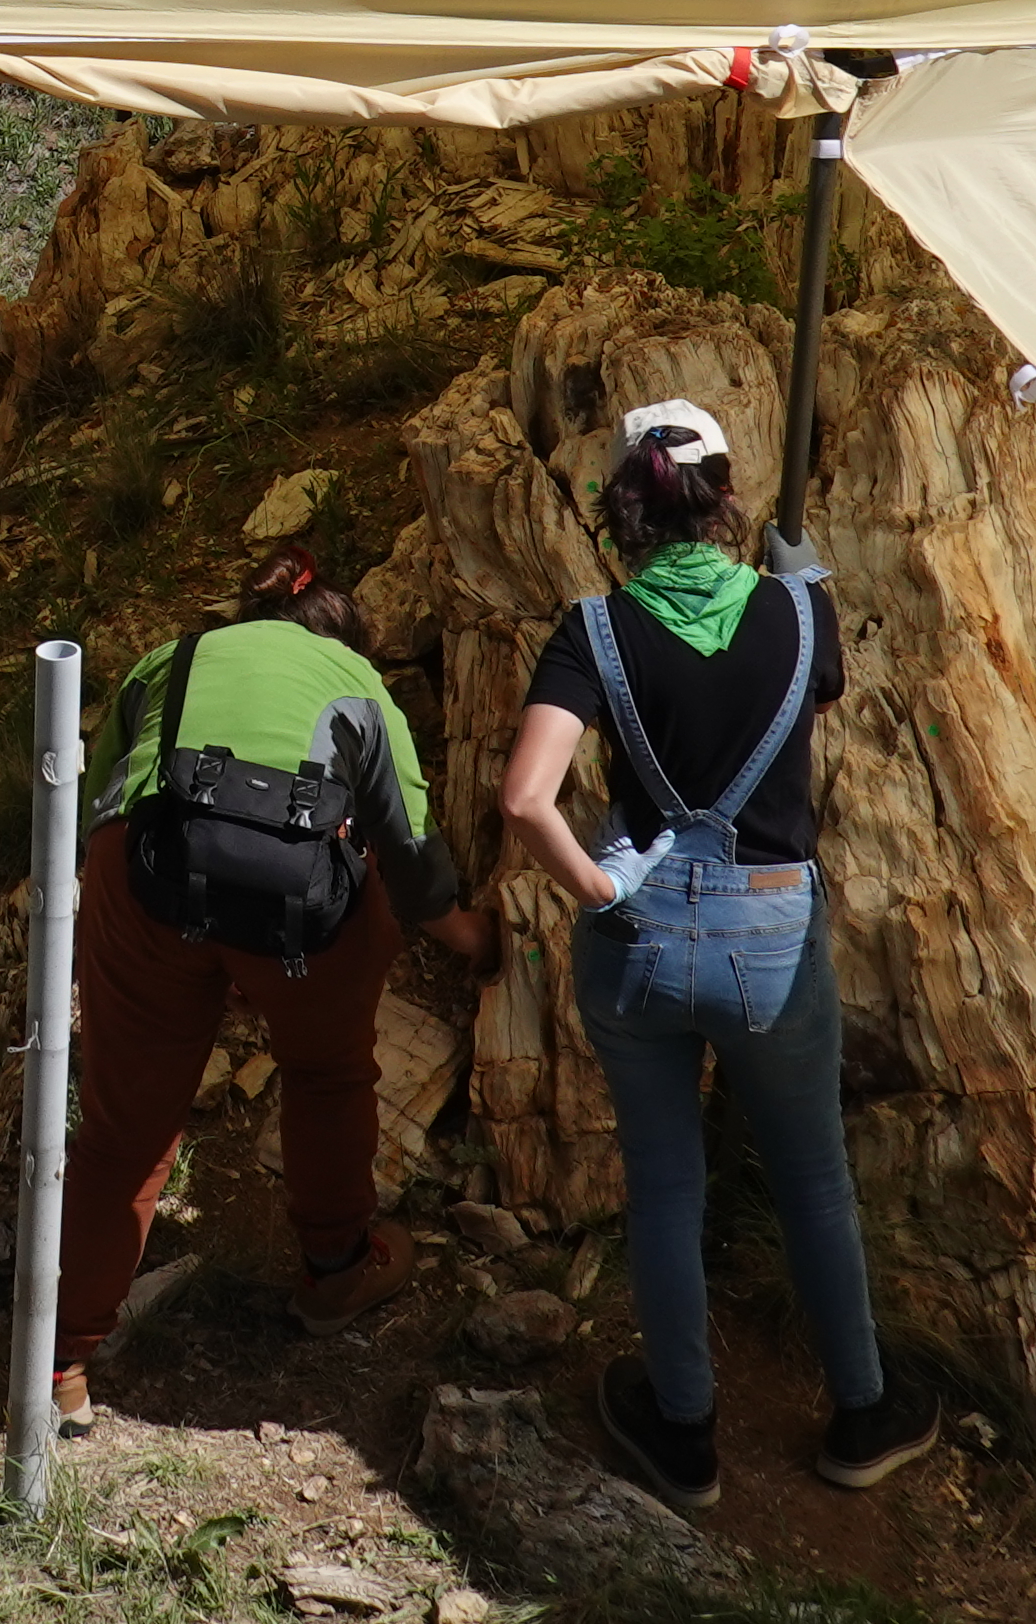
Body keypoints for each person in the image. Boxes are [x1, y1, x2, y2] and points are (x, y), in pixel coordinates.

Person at [500, 396, 940, 1502]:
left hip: (640, 937)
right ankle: (863, 1413)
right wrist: (811, 575)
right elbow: (820, 690)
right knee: (812, 1180)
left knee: (663, 1185)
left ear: (621, 514)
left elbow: (525, 798)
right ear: (728, 499)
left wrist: (600, 883)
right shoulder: (798, 617)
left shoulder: (591, 632)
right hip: (771, 934)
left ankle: (685, 1432)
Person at [47, 555, 497, 1431]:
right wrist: (465, 933)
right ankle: (334, 1273)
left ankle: (60, 1362)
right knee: (327, 1075)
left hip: (146, 878)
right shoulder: (357, 680)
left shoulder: (167, 659)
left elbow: (90, 799)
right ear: (339, 634)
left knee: (123, 1129)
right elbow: (406, 844)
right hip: (299, 907)